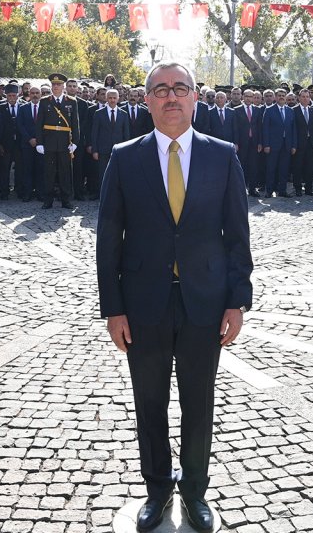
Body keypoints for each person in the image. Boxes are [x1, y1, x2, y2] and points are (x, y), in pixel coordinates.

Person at [97, 62, 252, 533]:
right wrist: (113, 309)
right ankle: (158, 489)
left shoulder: (222, 155)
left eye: (180, 88)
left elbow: (237, 235)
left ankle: (196, 491)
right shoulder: (125, 157)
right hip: (143, 304)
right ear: (146, 100)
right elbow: (109, 238)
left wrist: (237, 300)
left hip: (205, 302)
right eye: (160, 89)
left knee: (199, 401)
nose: (171, 97)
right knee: (149, 401)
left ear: (194, 98)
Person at [36, 73, 79, 209]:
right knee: (49, 172)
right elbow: (39, 124)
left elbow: (75, 124)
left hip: (65, 142)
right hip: (49, 142)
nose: (56, 87)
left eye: (59, 84)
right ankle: (47, 200)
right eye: (54, 84)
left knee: (65, 172)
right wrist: (39, 143)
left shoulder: (71, 101)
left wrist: (75, 142)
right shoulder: (44, 101)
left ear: (63, 86)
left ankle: (66, 200)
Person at [88, 88, 130, 192]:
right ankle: (103, 194)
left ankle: (117, 195)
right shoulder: (98, 113)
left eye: (114, 98)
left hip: (119, 150)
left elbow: (126, 134)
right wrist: (95, 150)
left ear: (118, 98)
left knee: (118, 173)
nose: (112, 100)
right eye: (110, 98)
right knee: (103, 174)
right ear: (106, 98)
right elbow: (94, 133)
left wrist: (127, 150)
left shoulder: (123, 114)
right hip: (102, 150)